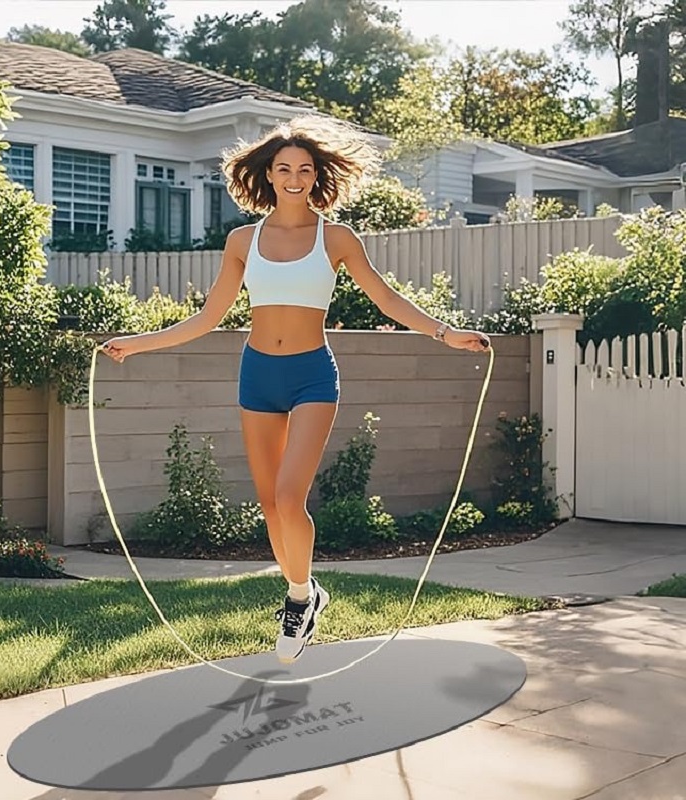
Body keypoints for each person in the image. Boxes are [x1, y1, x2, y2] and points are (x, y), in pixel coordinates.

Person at [102, 115, 491, 664]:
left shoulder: (336, 237)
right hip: (257, 374)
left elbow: (385, 298)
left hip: (312, 374)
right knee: (268, 505)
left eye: (304, 169)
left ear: (316, 176)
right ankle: (307, 595)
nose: (294, 177)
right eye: (284, 168)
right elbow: (209, 317)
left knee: (290, 497)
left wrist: (445, 333)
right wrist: (139, 343)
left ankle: (296, 599)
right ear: (268, 173)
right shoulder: (242, 240)